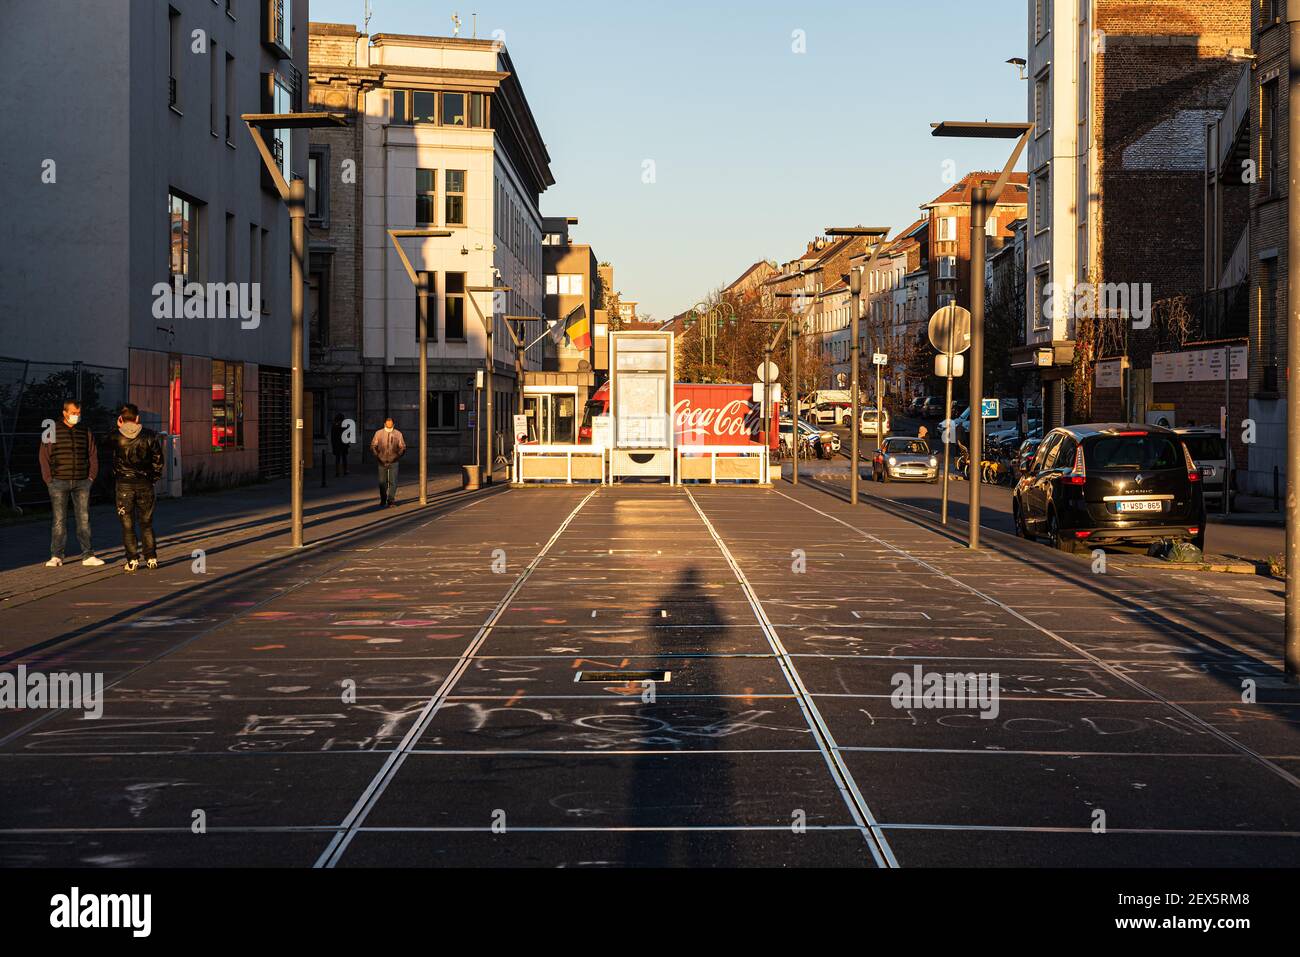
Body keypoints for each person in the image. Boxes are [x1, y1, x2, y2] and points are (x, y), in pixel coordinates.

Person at [39, 400, 105, 568]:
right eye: (73, 412)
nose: (77, 416)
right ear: (65, 412)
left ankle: (88, 555)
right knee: (59, 520)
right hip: (58, 481)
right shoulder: (51, 429)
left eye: (78, 412)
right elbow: (44, 456)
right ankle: (56, 555)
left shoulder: (85, 430)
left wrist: (91, 477)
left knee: (84, 519)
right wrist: (48, 479)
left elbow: (92, 454)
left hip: (82, 481)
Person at [110, 404, 165, 573]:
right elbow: (158, 460)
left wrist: (119, 428)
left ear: (121, 419)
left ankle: (132, 559)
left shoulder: (115, 436)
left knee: (127, 525)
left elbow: (105, 450)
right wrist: (153, 478)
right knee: (146, 523)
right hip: (145, 483)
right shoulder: (150, 435)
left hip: (124, 484)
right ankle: (151, 557)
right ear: (137, 418)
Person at [370, 417, 406, 509]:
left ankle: (391, 500)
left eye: (391, 424)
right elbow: (373, 445)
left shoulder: (398, 434)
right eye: (387, 423)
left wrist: (397, 456)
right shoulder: (379, 433)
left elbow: (402, 447)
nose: (389, 425)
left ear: (393, 424)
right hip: (381, 460)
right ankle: (383, 499)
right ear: (385, 424)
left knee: (393, 481)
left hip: (394, 461)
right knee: (382, 482)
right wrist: (377, 456)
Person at [330, 413, 349, 478]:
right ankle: (345, 471)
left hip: (337, 445)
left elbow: (332, 437)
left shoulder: (334, 426)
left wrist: (333, 445)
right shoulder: (344, 426)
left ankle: (337, 472)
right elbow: (347, 436)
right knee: (344, 458)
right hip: (343, 444)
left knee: (338, 459)